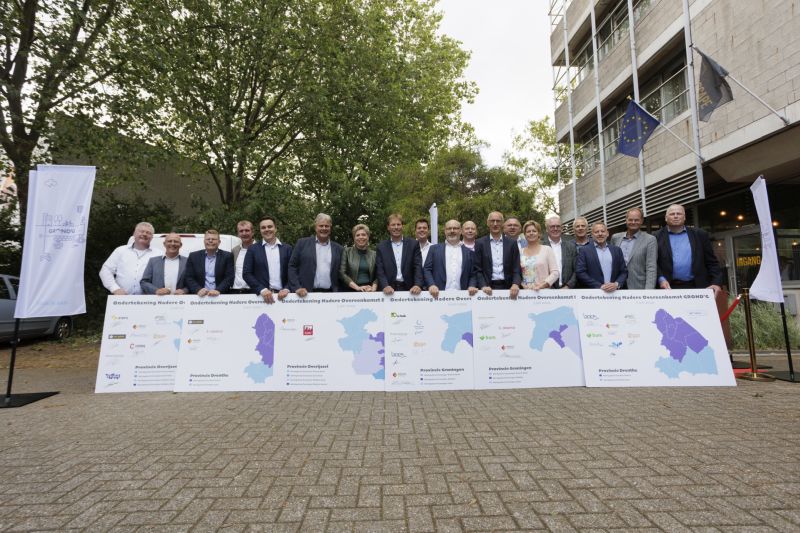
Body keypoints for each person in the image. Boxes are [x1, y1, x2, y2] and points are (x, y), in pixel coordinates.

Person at [655, 204, 723, 294]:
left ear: (684, 217)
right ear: (666, 218)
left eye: (679, 213)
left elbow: (712, 262)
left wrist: (716, 283)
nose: (675, 216)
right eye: (672, 214)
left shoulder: (700, 235)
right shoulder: (655, 237)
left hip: (697, 287)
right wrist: (660, 279)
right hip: (667, 287)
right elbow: (653, 263)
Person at [288, 213, 344, 296]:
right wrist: (297, 287)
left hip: (331, 296)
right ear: (315, 227)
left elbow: (342, 273)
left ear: (330, 228)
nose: (324, 228)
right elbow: (292, 266)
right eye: (321, 226)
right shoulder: (302, 244)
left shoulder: (339, 249)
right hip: (305, 295)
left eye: (327, 226)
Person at [423, 220, 478, 299]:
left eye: (455, 228)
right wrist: (431, 285)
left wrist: (472, 285)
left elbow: (473, 274)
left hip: (463, 297)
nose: (452, 231)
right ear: (445, 231)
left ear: (460, 231)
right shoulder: (434, 249)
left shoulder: (469, 252)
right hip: (438, 296)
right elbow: (427, 269)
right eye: (449, 228)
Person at [243, 216, 292, 303]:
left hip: (284, 297)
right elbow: (246, 274)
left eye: (270, 227)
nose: (267, 229)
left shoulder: (287, 248)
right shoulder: (252, 249)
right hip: (260, 298)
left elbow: (293, 272)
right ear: (260, 230)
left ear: (275, 229)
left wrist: (287, 288)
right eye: (263, 227)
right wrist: (261, 289)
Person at [473, 211, 522, 298]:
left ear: (502, 223)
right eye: (492, 221)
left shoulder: (512, 243)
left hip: (509, 287)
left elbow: (516, 267)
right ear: (488, 223)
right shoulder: (479, 243)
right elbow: (477, 269)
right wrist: (483, 286)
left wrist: (515, 284)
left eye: (498, 221)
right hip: (487, 288)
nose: (495, 224)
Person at [100, 222, 157, 295]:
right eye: (141, 231)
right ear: (134, 234)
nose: (144, 234)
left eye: (148, 233)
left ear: (152, 237)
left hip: (149, 299)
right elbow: (106, 270)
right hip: (121, 299)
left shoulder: (159, 254)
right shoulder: (120, 250)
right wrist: (115, 288)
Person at [376, 213, 423, 295]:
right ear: (388, 227)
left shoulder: (413, 244)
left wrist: (417, 285)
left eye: (398, 224)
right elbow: (380, 270)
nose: (396, 227)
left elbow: (418, 266)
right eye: (393, 225)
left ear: (402, 226)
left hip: (410, 290)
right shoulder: (381, 247)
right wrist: (385, 285)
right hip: (388, 290)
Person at [610, 207, 657, 289]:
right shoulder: (615, 238)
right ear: (626, 220)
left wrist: (649, 291)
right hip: (615, 286)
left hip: (638, 286)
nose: (633, 222)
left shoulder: (650, 240)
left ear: (642, 221)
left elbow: (651, 267)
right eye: (630, 220)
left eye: (636, 220)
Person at [576, 222, 627, 292]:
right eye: (596, 232)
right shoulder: (584, 251)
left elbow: (624, 271)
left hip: (614, 293)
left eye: (602, 231)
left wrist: (617, 284)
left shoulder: (617, 250)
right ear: (592, 235)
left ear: (607, 233)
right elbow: (580, 272)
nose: (600, 234)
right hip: (593, 293)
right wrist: (599, 286)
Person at [184, 229, 235, 296]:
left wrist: (218, 290)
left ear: (219, 242)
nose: (210, 241)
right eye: (208, 239)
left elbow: (229, 277)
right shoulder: (193, 256)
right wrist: (198, 289)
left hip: (220, 297)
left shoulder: (227, 256)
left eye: (213, 239)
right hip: (199, 297)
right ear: (204, 241)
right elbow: (189, 277)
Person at [519, 220, 559, 290]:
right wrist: (523, 285)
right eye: (528, 231)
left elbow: (555, 273)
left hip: (543, 292)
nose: (531, 233)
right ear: (524, 235)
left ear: (539, 234)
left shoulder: (547, 250)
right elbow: (517, 274)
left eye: (534, 231)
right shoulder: (520, 252)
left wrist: (542, 285)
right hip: (525, 293)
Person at [542, 215, 577, 289]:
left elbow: (576, 270)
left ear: (562, 228)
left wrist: (568, 286)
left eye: (558, 226)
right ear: (547, 229)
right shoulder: (541, 247)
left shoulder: (571, 247)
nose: (555, 229)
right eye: (552, 226)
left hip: (567, 291)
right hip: (546, 290)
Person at [340, 224, 378, 292]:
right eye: (357, 235)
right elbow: (342, 273)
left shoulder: (374, 254)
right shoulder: (346, 252)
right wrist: (357, 288)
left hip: (369, 291)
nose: (361, 237)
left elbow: (379, 275)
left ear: (368, 237)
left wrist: (373, 288)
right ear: (354, 238)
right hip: (351, 291)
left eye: (363, 235)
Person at [230, 220, 255, 294]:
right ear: (238, 234)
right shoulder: (234, 250)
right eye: (241, 231)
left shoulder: (260, 249)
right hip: (236, 291)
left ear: (252, 232)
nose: (244, 233)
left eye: (247, 230)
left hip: (254, 291)